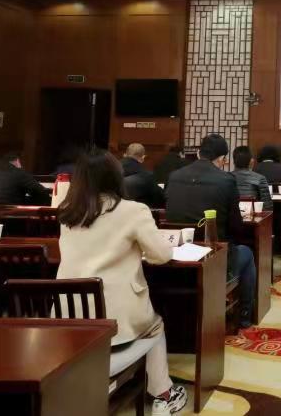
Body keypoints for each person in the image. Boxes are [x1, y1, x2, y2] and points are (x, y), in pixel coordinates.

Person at [55, 149, 188, 415]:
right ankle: (163, 394)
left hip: (68, 320)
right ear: (116, 177)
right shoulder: (133, 210)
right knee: (155, 325)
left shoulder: (68, 212)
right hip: (115, 323)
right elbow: (161, 255)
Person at [165, 134, 257, 327]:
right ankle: (244, 317)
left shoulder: (174, 176)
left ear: (199, 153)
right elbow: (236, 227)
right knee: (247, 253)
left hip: (175, 257)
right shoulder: (226, 180)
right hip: (213, 258)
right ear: (223, 159)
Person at [121, 143, 165, 208]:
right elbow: (159, 197)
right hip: (136, 210)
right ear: (143, 157)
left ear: (125, 155)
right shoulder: (146, 175)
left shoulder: (113, 169)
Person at [230, 146, 273, 210]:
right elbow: (267, 206)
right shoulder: (260, 178)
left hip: (230, 215)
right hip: (253, 214)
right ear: (251, 161)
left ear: (234, 161)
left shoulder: (225, 177)